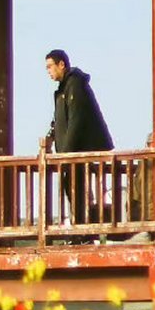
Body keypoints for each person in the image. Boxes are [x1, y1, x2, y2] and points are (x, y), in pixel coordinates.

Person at [44, 50, 113, 228]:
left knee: (78, 189)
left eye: (50, 66)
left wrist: (66, 154)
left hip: (80, 151)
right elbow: (59, 119)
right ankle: (80, 227)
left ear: (62, 65)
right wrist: (51, 137)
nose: (48, 71)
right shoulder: (62, 89)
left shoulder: (74, 84)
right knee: (73, 188)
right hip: (72, 152)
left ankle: (83, 229)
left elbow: (76, 120)